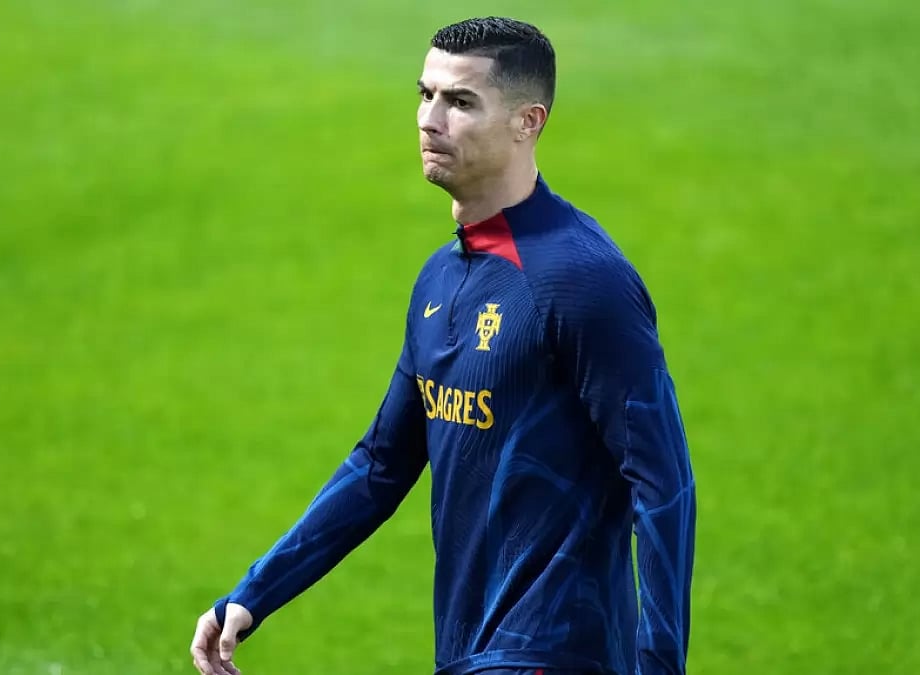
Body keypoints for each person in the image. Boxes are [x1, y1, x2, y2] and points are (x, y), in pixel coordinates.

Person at [190, 16, 696, 675]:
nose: (431, 119)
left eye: (460, 102)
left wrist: (661, 667)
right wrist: (256, 591)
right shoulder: (441, 277)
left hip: (554, 651)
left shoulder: (581, 280)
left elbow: (664, 483)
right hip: (469, 650)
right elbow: (380, 463)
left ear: (528, 122)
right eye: (425, 95)